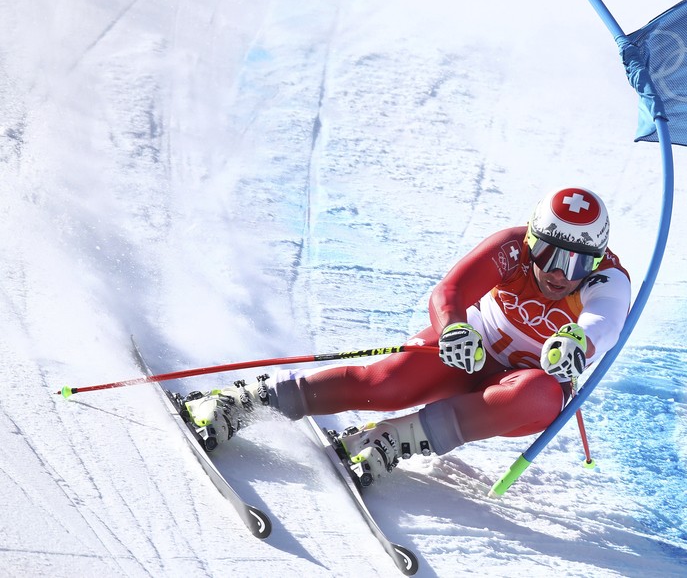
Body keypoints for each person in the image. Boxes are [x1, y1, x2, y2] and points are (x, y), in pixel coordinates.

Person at [184, 187, 631, 486]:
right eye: (549, 253)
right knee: (384, 386)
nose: (558, 272)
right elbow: (450, 291)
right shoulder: (512, 248)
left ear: (597, 259)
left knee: (539, 394)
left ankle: (391, 439)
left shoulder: (608, 278)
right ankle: (243, 403)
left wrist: (578, 342)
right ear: (532, 240)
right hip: (472, 350)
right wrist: (453, 327)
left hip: (521, 390)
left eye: (577, 263)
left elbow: (605, 321)